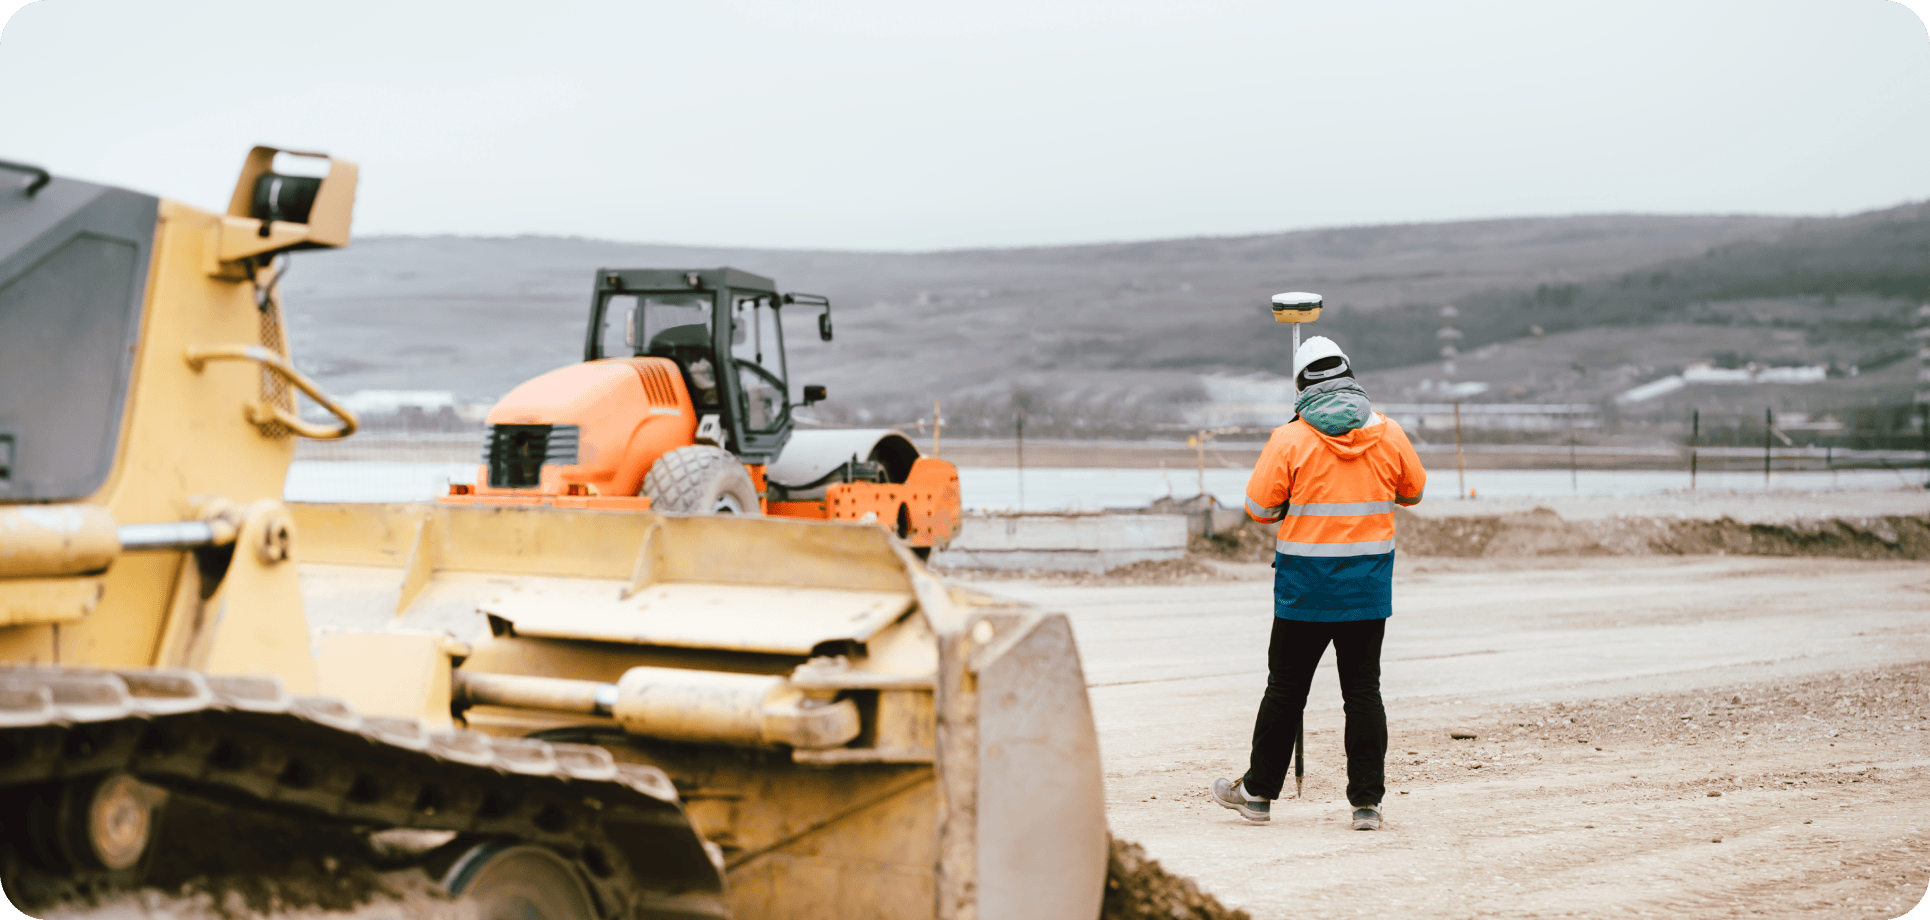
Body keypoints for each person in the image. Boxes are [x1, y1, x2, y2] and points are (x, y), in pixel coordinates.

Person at [1211, 335, 1425, 831]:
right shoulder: (1388, 434)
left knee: (1285, 690)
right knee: (1363, 693)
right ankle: (1366, 804)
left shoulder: (1290, 438)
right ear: (1349, 375)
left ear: (1302, 385)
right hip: (1366, 591)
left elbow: (1259, 509)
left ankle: (1259, 794)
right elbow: (1412, 492)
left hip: (1302, 592)